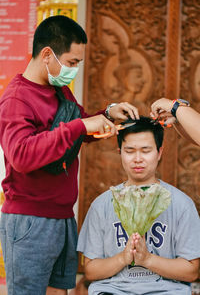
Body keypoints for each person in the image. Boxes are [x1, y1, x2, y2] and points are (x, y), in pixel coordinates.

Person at [0, 15, 139, 295]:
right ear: (48, 55)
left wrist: (107, 115)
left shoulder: (60, 90)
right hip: (30, 221)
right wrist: (80, 125)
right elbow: (21, 155)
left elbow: (75, 129)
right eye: (72, 62)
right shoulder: (16, 99)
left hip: (63, 216)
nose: (74, 70)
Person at [77, 116, 200, 295]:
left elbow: (191, 271)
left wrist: (147, 259)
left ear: (159, 152)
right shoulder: (102, 204)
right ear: (120, 152)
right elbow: (91, 270)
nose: (137, 159)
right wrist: (123, 258)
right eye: (129, 151)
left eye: (145, 150)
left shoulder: (181, 204)